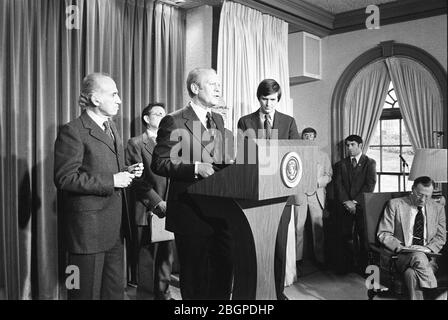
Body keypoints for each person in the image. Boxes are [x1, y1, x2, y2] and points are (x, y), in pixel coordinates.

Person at [54, 73, 143, 299]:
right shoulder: (72, 130)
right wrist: (112, 181)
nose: (119, 100)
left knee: (113, 293)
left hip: (114, 229)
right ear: (95, 99)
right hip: (86, 233)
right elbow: (65, 178)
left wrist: (127, 170)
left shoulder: (111, 128)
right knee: (82, 293)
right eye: (113, 94)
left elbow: (106, 167)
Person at [151, 68, 232, 300]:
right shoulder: (174, 120)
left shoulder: (218, 118)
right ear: (195, 88)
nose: (219, 88)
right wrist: (195, 168)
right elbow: (160, 162)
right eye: (212, 84)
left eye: (219, 84)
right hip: (190, 212)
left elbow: (218, 158)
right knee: (196, 277)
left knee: (223, 271)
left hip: (221, 210)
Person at [237, 78, 300, 300]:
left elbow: (295, 156)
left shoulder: (288, 122)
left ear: (278, 99)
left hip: (282, 195)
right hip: (254, 195)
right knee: (255, 248)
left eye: (273, 99)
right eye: (265, 99)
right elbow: (243, 157)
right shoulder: (245, 121)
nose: (268, 104)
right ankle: (257, 293)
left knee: (279, 246)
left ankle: (277, 292)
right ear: (259, 98)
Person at [126, 103, 174, 300]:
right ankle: (146, 297)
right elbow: (137, 180)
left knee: (167, 256)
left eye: (165, 114)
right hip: (148, 209)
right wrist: (157, 202)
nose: (163, 117)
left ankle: (164, 294)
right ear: (147, 118)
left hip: (171, 208)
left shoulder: (172, 143)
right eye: (158, 114)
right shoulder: (136, 143)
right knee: (147, 258)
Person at [377, 176, 446, 300]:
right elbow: (384, 233)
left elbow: (441, 237)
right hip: (401, 256)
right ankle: (434, 293)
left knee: (411, 274)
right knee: (418, 255)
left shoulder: (438, 209)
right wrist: (401, 247)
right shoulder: (395, 205)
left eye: (428, 196)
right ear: (412, 189)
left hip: (429, 257)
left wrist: (428, 249)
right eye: (420, 195)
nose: (423, 200)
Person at [333, 134, 376, 274]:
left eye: (352, 145)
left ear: (360, 146)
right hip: (344, 206)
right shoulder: (340, 164)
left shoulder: (370, 163)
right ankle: (345, 267)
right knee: (344, 237)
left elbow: (370, 185)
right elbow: (338, 186)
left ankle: (363, 268)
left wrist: (354, 202)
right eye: (347, 145)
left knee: (363, 238)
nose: (349, 148)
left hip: (361, 206)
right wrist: (347, 202)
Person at [295, 128, 332, 274]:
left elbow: (328, 175)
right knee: (298, 228)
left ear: (315, 138)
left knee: (318, 229)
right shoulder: (296, 154)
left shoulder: (323, 156)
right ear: (302, 138)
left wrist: (318, 183)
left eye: (311, 136)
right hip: (300, 194)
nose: (308, 138)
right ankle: (297, 260)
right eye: (306, 136)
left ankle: (320, 259)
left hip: (316, 195)